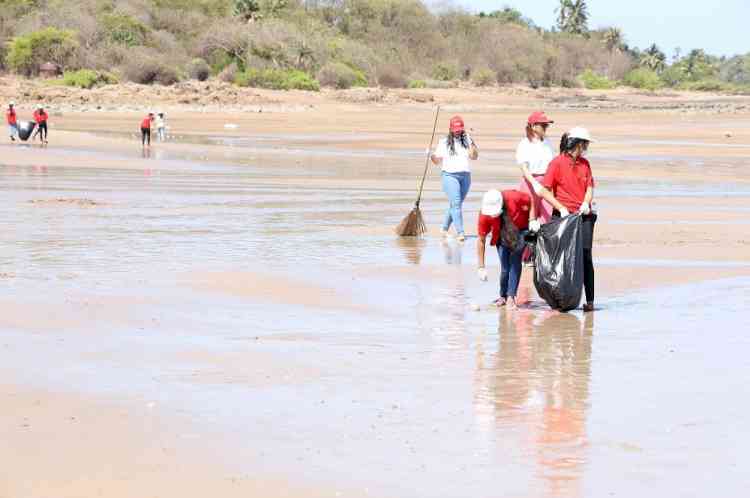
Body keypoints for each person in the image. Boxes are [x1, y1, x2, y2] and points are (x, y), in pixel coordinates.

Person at [529, 127, 597, 312]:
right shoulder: (557, 163)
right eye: (585, 144)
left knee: (585, 256)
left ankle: (589, 301)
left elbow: (590, 187)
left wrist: (585, 202)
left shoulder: (585, 164)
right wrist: (560, 208)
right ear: (577, 143)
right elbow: (544, 190)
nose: (586, 148)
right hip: (563, 217)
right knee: (561, 257)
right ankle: (560, 298)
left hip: (583, 217)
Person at [476, 189, 540, 308]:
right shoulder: (484, 214)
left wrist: (532, 220)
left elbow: (530, 199)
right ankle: (503, 295)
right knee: (505, 267)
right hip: (501, 234)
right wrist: (481, 267)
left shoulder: (514, 197)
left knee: (515, 261)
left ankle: (511, 296)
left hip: (521, 230)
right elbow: (481, 240)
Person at [516, 112, 556, 266]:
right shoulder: (524, 144)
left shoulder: (548, 142)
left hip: (546, 183)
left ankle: (538, 253)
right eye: (543, 125)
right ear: (533, 126)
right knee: (529, 222)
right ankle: (525, 256)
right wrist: (534, 183)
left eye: (547, 125)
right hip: (529, 183)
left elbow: (552, 165)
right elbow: (524, 168)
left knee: (545, 220)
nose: (546, 127)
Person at [430, 115, 478, 242]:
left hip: (465, 176)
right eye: (456, 129)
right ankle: (461, 233)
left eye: (460, 129)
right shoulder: (444, 142)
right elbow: (436, 161)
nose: (458, 131)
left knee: (455, 205)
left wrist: (472, 143)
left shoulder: (467, 139)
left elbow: (474, 157)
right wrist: (432, 156)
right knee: (456, 204)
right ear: (451, 129)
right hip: (449, 176)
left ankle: (444, 228)